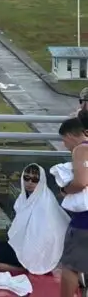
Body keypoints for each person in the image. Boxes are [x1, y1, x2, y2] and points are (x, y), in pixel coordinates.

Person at [0, 164, 68, 275]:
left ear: (41, 181)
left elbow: (43, 235)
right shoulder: (23, 198)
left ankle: (19, 268)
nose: (29, 182)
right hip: (25, 244)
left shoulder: (45, 202)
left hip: (39, 249)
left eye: (35, 180)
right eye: (26, 178)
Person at [57, 112, 88, 297]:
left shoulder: (81, 149)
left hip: (83, 222)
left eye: (64, 140)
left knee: (70, 266)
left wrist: (65, 190)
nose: (65, 145)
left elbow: (81, 182)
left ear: (69, 135)